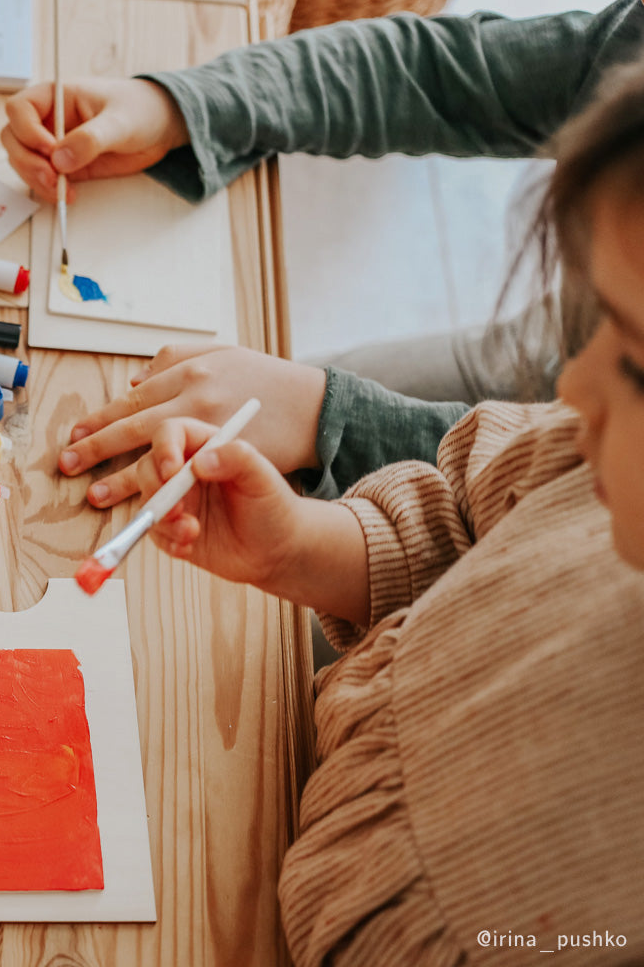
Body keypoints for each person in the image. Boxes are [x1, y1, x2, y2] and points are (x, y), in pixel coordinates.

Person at [128, 56, 644, 964]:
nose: (571, 384)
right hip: (265, 797)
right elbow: (471, 519)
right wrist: (304, 548)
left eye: (637, 366)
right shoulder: (587, 472)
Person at [2, 0, 644, 503]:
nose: (579, 382)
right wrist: (183, 104)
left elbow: (558, 479)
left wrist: (326, 419)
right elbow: (436, 75)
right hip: (523, 363)